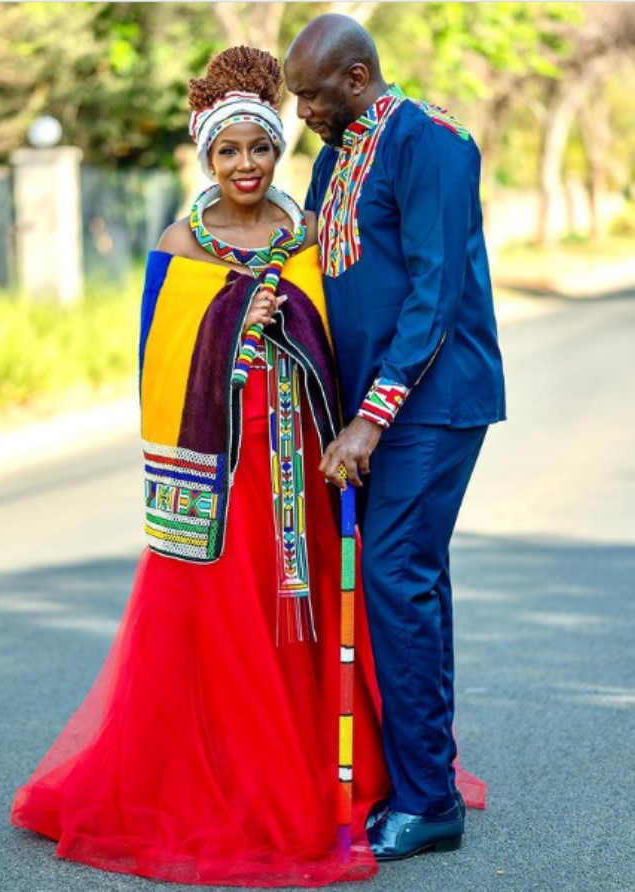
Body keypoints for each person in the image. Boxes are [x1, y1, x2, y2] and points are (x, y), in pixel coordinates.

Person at [9, 47, 392, 887]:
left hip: (298, 465)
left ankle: (317, 774)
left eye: (259, 147)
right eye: (228, 151)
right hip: (220, 476)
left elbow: (339, 339)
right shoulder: (179, 242)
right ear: (205, 155)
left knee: (298, 621)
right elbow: (158, 363)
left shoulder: (303, 234)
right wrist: (231, 314)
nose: (245, 165)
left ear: (276, 152)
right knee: (218, 629)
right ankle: (214, 783)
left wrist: (284, 308)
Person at [285, 15, 506, 861]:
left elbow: (435, 292)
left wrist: (369, 420)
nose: (299, 110)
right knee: (413, 580)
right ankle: (426, 772)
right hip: (368, 410)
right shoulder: (332, 152)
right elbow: (313, 258)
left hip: (432, 402)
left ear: (353, 77)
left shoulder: (434, 143)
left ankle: (426, 801)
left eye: (308, 93)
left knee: (394, 576)